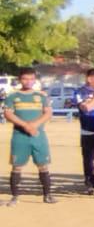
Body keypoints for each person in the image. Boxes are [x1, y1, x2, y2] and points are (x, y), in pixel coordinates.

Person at [4, 68, 55, 206]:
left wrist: (34, 125)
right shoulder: (12, 96)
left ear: (35, 80)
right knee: (17, 166)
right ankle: (15, 197)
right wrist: (25, 125)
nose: (28, 81)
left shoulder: (41, 96)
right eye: (25, 78)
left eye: (31, 79)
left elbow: (48, 113)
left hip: (38, 136)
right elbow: (8, 114)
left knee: (43, 165)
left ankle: (47, 195)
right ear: (20, 79)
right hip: (20, 136)